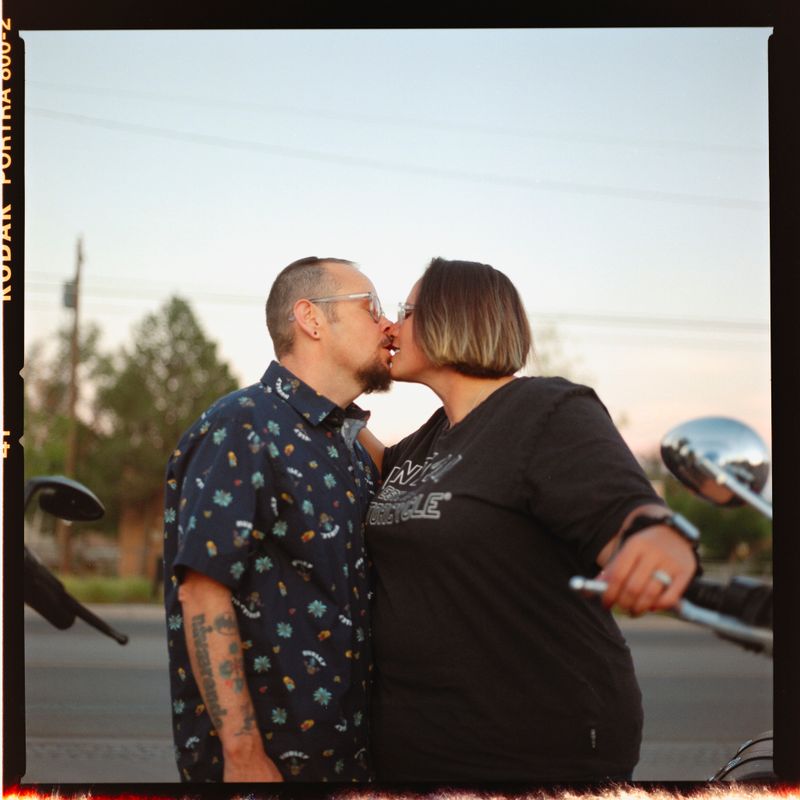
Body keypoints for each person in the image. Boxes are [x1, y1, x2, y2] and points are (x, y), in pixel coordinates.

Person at [359, 257, 699, 782]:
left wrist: (655, 540)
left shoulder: (546, 411)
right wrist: (325, 384)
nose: (390, 326)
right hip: (418, 748)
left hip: (532, 750)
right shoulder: (430, 437)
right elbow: (373, 463)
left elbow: (625, 509)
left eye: (405, 311)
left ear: (454, 317)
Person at [163, 256, 393, 783]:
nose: (388, 324)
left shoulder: (351, 450)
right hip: (267, 770)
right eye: (371, 306)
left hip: (349, 764)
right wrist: (242, 753)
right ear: (311, 319)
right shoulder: (243, 426)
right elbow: (202, 592)